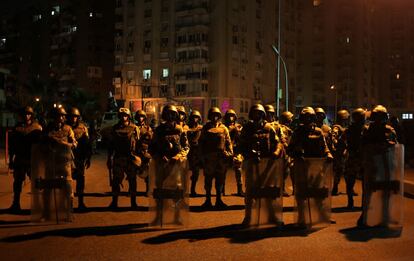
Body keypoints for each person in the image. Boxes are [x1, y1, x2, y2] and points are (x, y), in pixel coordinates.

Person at [239, 104, 284, 226]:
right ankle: (248, 217)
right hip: (252, 163)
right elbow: (240, 144)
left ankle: (272, 215)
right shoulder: (247, 128)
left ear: (263, 114)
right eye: (255, 113)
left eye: (259, 113)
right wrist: (248, 153)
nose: (257, 115)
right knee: (250, 192)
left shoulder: (269, 128)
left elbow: (278, 143)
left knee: (268, 192)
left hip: (267, 164)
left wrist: (276, 152)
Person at [288, 107, 333, 227]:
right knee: (302, 194)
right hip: (302, 166)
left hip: (316, 166)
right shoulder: (297, 132)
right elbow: (289, 149)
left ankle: (321, 215)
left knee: (319, 192)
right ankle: (302, 218)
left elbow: (324, 146)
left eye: (310, 117)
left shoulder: (318, 131)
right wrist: (296, 153)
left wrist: (328, 154)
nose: (308, 119)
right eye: (306, 117)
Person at [358, 105, 398, 227]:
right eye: (378, 116)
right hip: (372, 164)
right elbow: (363, 146)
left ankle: (385, 216)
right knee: (369, 191)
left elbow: (395, 146)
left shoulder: (389, 130)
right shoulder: (367, 129)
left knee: (385, 191)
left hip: (384, 164)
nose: (379, 119)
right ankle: (365, 216)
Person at [149, 105, 189, 225]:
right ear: (164, 115)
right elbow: (152, 148)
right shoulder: (159, 130)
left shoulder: (180, 129)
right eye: (168, 114)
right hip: (162, 164)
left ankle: (176, 217)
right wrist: (160, 156)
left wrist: (177, 157)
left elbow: (186, 147)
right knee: (160, 191)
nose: (170, 116)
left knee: (177, 192)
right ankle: (159, 216)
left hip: (176, 165)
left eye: (173, 114)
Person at [8, 106, 43, 212]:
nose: (26, 116)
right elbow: (12, 145)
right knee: (17, 182)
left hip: (32, 158)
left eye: (28, 114)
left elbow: (40, 145)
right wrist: (11, 159)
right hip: (20, 158)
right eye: (25, 114)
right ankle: (16, 203)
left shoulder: (37, 128)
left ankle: (37, 204)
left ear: (32, 115)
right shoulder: (17, 128)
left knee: (36, 183)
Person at [199, 107, 233, 209]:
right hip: (209, 158)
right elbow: (201, 143)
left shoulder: (224, 128)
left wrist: (229, 153)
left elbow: (228, 142)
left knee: (220, 180)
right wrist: (202, 156)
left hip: (221, 158)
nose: (215, 117)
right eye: (213, 115)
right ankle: (208, 200)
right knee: (208, 180)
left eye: (217, 115)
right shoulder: (206, 128)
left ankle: (219, 200)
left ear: (219, 116)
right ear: (210, 116)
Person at [107, 107, 141, 209]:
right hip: (118, 157)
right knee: (116, 181)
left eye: (125, 115)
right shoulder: (114, 128)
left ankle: (133, 203)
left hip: (130, 158)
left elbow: (138, 144)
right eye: (121, 116)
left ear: (129, 116)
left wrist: (139, 158)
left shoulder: (134, 128)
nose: (123, 117)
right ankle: (114, 202)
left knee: (132, 181)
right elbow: (111, 145)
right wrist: (109, 158)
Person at [67, 107, 92, 210]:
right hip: (67, 159)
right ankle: (69, 204)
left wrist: (88, 157)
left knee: (80, 181)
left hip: (79, 159)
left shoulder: (83, 128)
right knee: (67, 182)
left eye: (76, 117)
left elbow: (87, 144)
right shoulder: (65, 128)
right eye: (72, 117)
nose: (74, 119)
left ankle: (81, 202)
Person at [343, 108, 366, 209]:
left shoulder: (349, 129)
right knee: (365, 181)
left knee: (350, 181)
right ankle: (363, 203)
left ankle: (350, 202)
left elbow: (342, 142)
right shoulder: (365, 129)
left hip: (353, 157)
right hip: (362, 158)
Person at [223, 109, 244, 196]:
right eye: (229, 116)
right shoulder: (223, 127)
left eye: (232, 116)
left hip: (236, 151)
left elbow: (241, 139)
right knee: (223, 171)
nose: (230, 118)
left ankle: (240, 190)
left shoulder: (238, 127)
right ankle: (221, 190)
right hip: (226, 151)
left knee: (238, 170)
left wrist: (237, 131)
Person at [331, 109, 350, 195]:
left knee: (347, 171)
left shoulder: (344, 127)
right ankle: (335, 187)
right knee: (339, 171)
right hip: (340, 153)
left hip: (345, 152)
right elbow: (333, 138)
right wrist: (338, 146)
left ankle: (349, 189)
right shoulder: (337, 127)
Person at [134, 110, 153, 194]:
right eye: (138, 117)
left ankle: (148, 190)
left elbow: (152, 141)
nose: (140, 118)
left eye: (142, 117)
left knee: (147, 173)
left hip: (145, 152)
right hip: (135, 152)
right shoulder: (133, 127)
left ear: (144, 118)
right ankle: (132, 190)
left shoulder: (148, 128)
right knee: (132, 173)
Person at [187, 110, 203, 196]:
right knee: (183, 172)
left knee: (195, 173)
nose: (195, 119)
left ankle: (193, 190)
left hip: (196, 153)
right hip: (187, 152)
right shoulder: (186, 128)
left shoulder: (201, 128)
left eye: (196, 117)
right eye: (193, 117)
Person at [279, 111, 295, 195]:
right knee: (285, 172)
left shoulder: (287, 128)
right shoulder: (283, 128)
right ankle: (282, 189)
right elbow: (284, 140)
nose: (292, 120)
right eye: (290, 118)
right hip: (284, 153)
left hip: (287, 152)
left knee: (289, 171)